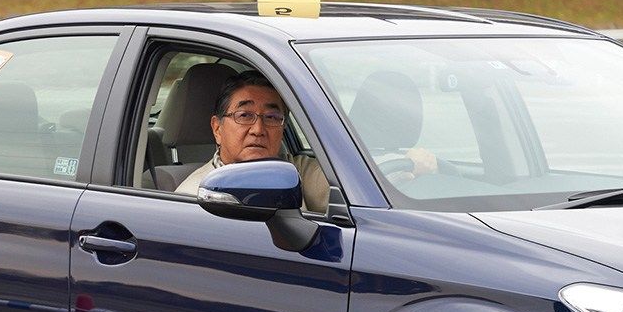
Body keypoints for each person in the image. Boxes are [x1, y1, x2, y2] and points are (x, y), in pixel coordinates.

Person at [174, 71, 436, 212]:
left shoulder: (294, 169)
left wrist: (410, 164)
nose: (258, 129)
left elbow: (353, 184)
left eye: (272, 117)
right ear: (217, 128)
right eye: (244, 116)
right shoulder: (195, 198)